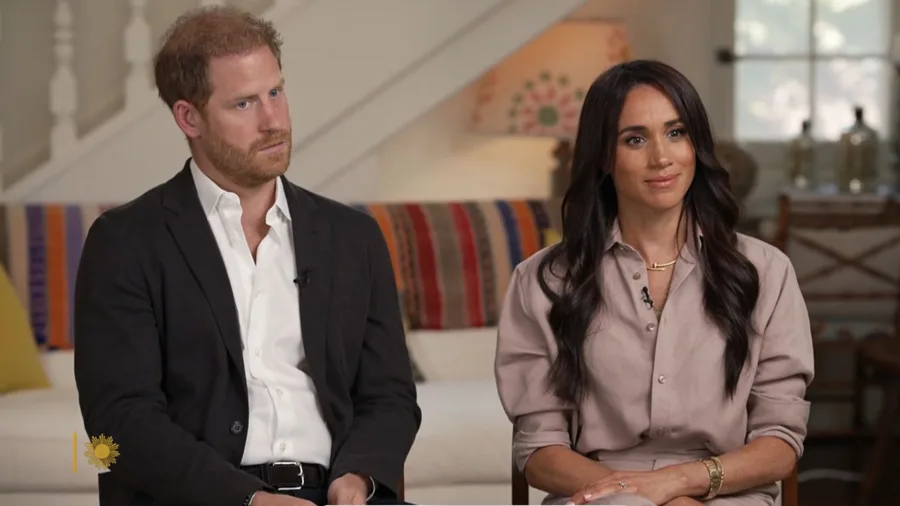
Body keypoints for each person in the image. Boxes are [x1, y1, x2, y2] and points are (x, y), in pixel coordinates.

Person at [73, 6, 420, 506]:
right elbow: (119, 420)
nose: (273, 121)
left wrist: (358, 478)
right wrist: (249, 500)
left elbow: (390, 395)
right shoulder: (125, 242)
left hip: (335, 493)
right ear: (189, 117)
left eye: (276, 92)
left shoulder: (353, 237)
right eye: (243, 104)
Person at [494, 59, 814, 506]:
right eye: (635, 139)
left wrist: (678, 484)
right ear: (603, 156)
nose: (661, 157)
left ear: (696, 145)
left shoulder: (767, 272)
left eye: (676, 132)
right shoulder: (543, 281)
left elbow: (778, 443)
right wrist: (641, 496)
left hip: (726, 494)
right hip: (597, 496)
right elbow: (540, 451)